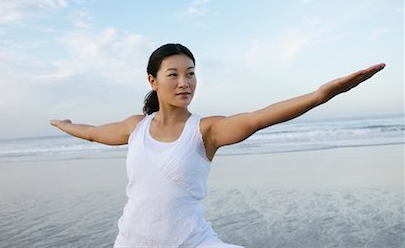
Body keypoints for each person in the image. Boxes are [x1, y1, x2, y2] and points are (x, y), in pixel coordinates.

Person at [50, 43, 385, 247]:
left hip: (190, 242)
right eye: (173, 74)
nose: (185, 82)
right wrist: (66, 126)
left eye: (191, 73)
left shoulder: (205, 130)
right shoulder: (135, 128)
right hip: (131, 243)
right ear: (152, 80)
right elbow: (93, 131)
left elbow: (257, 118)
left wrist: (320, 96)